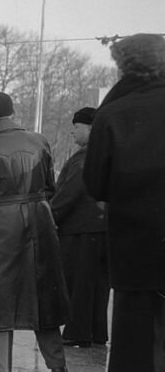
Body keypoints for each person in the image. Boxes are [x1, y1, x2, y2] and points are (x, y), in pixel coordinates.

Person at [0, 92, 68, 372]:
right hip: (40, 220)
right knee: (43, 292)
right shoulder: (39, 141)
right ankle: (57, 364)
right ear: (12, 113)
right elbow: (50, 185)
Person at [82, 33, 165, 372]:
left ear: (124, 67)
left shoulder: (112, 113)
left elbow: (95, 183)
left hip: (135, 248)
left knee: (134, 340)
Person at [49, 107, 109, 348]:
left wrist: (49, 215)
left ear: (90, 128)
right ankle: (96, 332)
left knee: (78, 281)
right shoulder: (105, 155)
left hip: (80, 229)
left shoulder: (84, 159)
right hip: (102, 228)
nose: (73, 131)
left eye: (77, 126)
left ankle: (77, 331)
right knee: (97, 284)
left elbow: (69, 193)